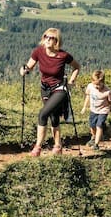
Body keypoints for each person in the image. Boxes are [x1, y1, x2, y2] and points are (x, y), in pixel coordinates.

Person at [20, 27, 81, 155]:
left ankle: (37, 147)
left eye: (51, 38)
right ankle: (58, 146)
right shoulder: (38, 52)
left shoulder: (63, 55)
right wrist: (24, 70)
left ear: (56, 41)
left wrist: (71, 81)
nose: (47, 39)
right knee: (54, 116)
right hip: (45, 88)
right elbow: (29, 66)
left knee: (43, 114)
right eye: (46, 37)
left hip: (59, 89)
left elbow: (77, 67)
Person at [84, 69, 111, 149]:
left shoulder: (107, 91)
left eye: (99, 85)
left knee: (99, 125)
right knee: (92, 125)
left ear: (103, 82)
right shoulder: (90, 86)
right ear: (92, 82)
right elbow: (88, 95)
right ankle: (94, 137)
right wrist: (84, 107)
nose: (96, 86)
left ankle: (96, 144)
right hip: (93, 109)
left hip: (103, 110)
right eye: (95, 84)